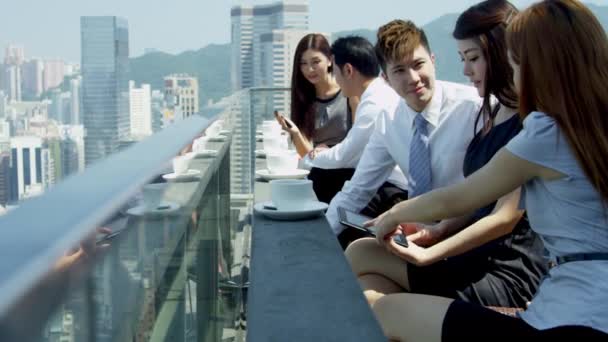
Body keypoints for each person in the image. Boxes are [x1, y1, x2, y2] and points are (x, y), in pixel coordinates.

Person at [367, 0, 608, 339]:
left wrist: (393, 216)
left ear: (539, 66)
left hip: (566, 319)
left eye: (517, 64)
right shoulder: (590, 123)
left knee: (386, 311)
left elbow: (461, 198)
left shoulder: (546, 131)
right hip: (583, 313)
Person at [346, 0, 547, 311]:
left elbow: (504, 217)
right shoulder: (493, 113)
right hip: (471, 255)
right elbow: (477, 199)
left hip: (503, 269)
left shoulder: (528, 123)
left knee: (376, 295)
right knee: (367, 285)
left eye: (473, 58)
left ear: (502, 54)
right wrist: (433, 231)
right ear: (386, 77)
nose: (466, 70)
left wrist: (430, 252)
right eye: (463, 58)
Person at [325, 19, 482, 249]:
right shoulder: (389, 121)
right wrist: (321, 236)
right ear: (386, 79)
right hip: (416, 235)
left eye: (418, 64)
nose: (413, 78)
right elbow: (358, 190)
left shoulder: (473, 108)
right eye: (399, 70)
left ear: (433, 61)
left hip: (467, 232)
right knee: (357, 251)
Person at [303, 36, 405, 205]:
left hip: (395, 188)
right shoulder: (379, 93)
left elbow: (344, 156)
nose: (335, 79)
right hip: (390, 182)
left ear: (348, 71)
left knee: (322, 176)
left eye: (335, 72)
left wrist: (308, 160)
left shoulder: (374, 104)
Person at [275, 33, 351, 158]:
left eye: (316, 62)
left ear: (330, 60)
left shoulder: (348, 91)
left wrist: (331, 150)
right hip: (320, 166)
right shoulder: (303, 96)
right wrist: (295, 133)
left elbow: (360, 142)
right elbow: (307, 155)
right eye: (303, 63)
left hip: (349, 167)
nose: (309, 69)